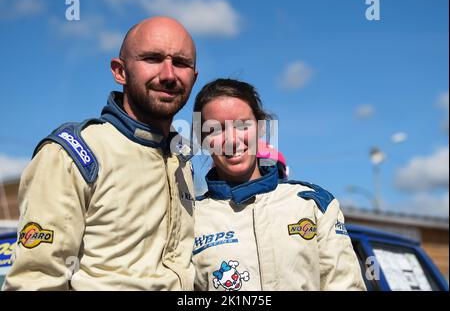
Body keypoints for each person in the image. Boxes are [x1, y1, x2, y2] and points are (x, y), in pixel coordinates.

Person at [3, 16, 198, 291]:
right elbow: (35, 281)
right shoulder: (74, 153)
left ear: (194, 76)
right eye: (152, 59)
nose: (168, 74)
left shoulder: (182, 160)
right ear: (120, 71)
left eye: (180, 63)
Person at [192, 78, 366, 291]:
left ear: (261, 127)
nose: (232, 140)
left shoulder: (313, 204)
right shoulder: (190, 219)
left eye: (242, 125)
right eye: (215, 130)